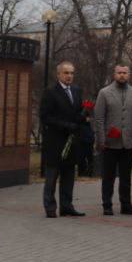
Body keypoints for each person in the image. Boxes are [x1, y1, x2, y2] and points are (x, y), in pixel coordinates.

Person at [39, 61, 88, 218]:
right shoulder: (50, 92)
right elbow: (45, 117)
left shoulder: (76, 90)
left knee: (68, 176)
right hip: (55, 141)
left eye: (72, 73)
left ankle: (67, 206)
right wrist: (66, 125)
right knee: (52, 177)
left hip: (72, 140)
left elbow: (77, 112)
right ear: (58, 74)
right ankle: (50, 207)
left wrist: (83, 116)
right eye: (66, 73)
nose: (69, 76)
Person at [94, 63, 132, 216]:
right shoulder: (104, 93)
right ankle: (107, 205)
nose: (122, 75)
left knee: (125, 177)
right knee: (108, 177)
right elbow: (99, 118)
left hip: (128, 142)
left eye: (125, 73)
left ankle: (126, 205)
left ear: (129, 74)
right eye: (119, 72)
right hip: (109, 142)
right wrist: (101, 140)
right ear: (114, 74)